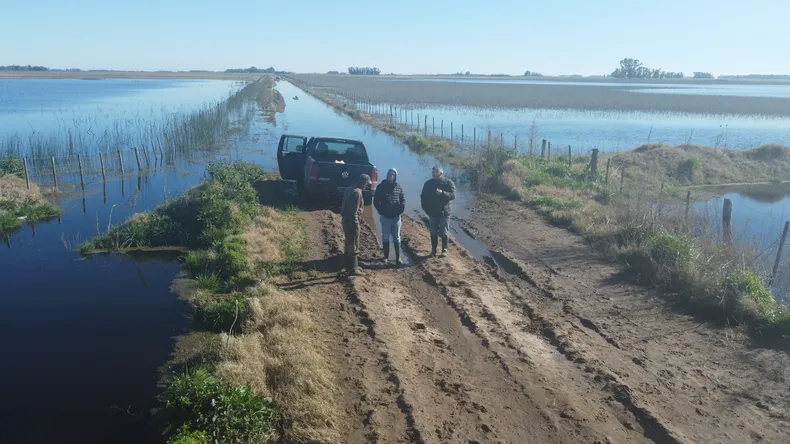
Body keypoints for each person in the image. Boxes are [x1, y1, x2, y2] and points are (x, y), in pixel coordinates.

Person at [420, 165, 456, 257]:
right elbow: (423, 197)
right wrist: (426, 209)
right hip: (432, 213)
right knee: (433, 232)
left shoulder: (448, 183)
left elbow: (453, 195)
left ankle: (444, 250)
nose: (434, 175)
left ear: (441, 173)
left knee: (444, 232)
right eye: (433, 173)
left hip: (444, 213)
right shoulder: (428, 184)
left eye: (436, 173)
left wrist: (443, 193)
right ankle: (433, 251)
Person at [374, 168, 405, 266]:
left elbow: (403, 200)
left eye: (393, 175)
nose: (392, 176)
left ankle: (398, 258)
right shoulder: (381, 187)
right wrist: (381, 211)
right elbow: (375, 201)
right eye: (390, 174)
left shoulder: (399, 187)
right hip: (385, 217)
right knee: (386, 237)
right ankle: (386, 257)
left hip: (396, 218)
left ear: (395, 176)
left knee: (397, 238)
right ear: (387, 175)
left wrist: (400, 211)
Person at [341, 173, 371, 276]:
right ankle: (353, 268)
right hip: (351, 222)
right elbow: (354, 212)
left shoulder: (349, 189)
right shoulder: (357, 193)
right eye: (367, 184)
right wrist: (356, 224)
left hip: (345, 220)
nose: (367, 186)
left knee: (348, 243)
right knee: (354, 244)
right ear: (364, 183)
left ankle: (348, 266)